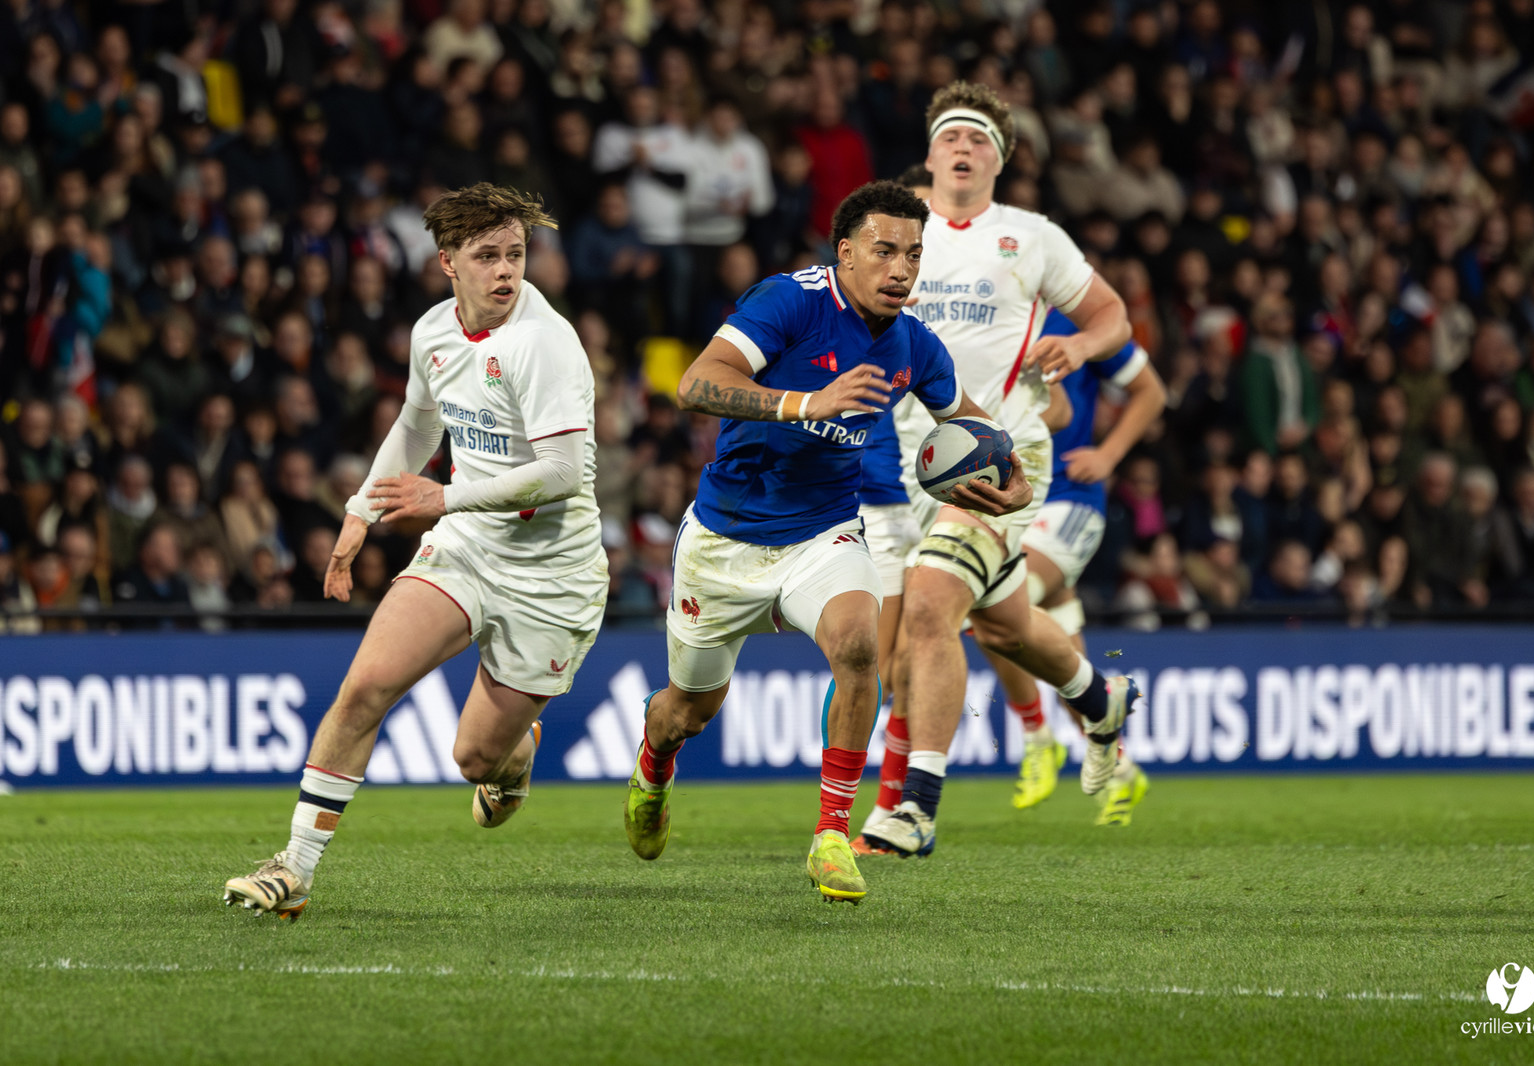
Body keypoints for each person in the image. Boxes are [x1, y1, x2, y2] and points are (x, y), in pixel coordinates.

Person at [622, 181, 1027, 905]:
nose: (901, 268)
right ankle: (655, 765)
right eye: (884, 251)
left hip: (824, 530)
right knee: (687, 711)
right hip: (725, 536)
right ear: (845, 253)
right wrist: (810, 402)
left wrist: (1008, 473)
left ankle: (832, 835)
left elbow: (971, 422)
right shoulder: (790, 301)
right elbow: (695, 383)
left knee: (859, 645)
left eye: (913, 253)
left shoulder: (914, 343)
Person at [223, 183, 607, 920]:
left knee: (473, 759)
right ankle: (294, 868)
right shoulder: (434, 332)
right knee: (365, 686)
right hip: (467, 546)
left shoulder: (544, 342)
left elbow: (563, 475)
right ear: (447, 264)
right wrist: (359, 512)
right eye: (487, 256)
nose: (505, 271)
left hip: (552, 573)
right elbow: (416, 424)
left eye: (516, 254)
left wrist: (441, 498)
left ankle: (515, 754)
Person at [858, 82, 1141, 859]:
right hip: (909, 459)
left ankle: (914, 809)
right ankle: (1100, 696)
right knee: (999, 626)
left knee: (930, 609)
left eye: (979, 138)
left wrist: (1080, 349)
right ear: (929, 154)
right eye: (950, 134)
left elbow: (1112, 315)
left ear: (1000, 160)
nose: (963, 147)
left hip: (999, 452)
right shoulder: (897, 237)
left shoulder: (1032, 237)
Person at [988, 311, 1166, 825]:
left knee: (991, 600)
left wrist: (1109, 455)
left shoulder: (1078, 319)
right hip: (1011, 497)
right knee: (1059, 649)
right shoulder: (976, 308)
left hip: (1069, 498)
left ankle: (1038, 736)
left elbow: (1151, 391)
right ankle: (1123, 770)